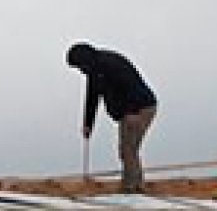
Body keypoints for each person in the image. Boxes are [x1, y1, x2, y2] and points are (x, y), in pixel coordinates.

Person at [66, 41, 158, 194]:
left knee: (128, 149)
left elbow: (130, 85)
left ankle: (132, 188)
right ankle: (135, 185)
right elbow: (92, 98)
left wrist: (132, 112)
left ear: (85, 61)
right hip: (131, 110)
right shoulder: (95, 71)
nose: (80, 71)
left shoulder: (111, 64)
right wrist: (88, 124)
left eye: (79, 66)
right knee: (128, 150)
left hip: (140, 108)